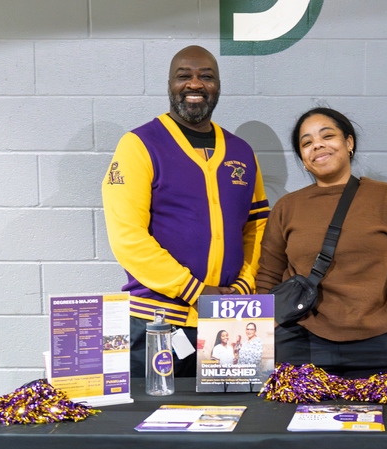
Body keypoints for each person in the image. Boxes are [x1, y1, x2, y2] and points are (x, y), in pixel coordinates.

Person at [102, 45, 270, 378]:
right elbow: (127, 237)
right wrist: (194, 289)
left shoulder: (241, 152)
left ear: (217, 86)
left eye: (206, 76)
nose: (195, 84)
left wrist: (243, 286)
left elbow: (257, 228)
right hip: (157, 324)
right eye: (184, 76)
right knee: (155, 411)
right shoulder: (139, 145)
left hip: (228, 320)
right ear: (169, 84)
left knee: (235, 409)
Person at [255, 108, 387, 377]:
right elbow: (268, 273)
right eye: (307, 142)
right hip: (301, 340)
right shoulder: (287, 207)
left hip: (382, 341)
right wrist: (271, 327)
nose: (317, 145)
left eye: (327, 136)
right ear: (303, 159)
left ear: (349, 143)